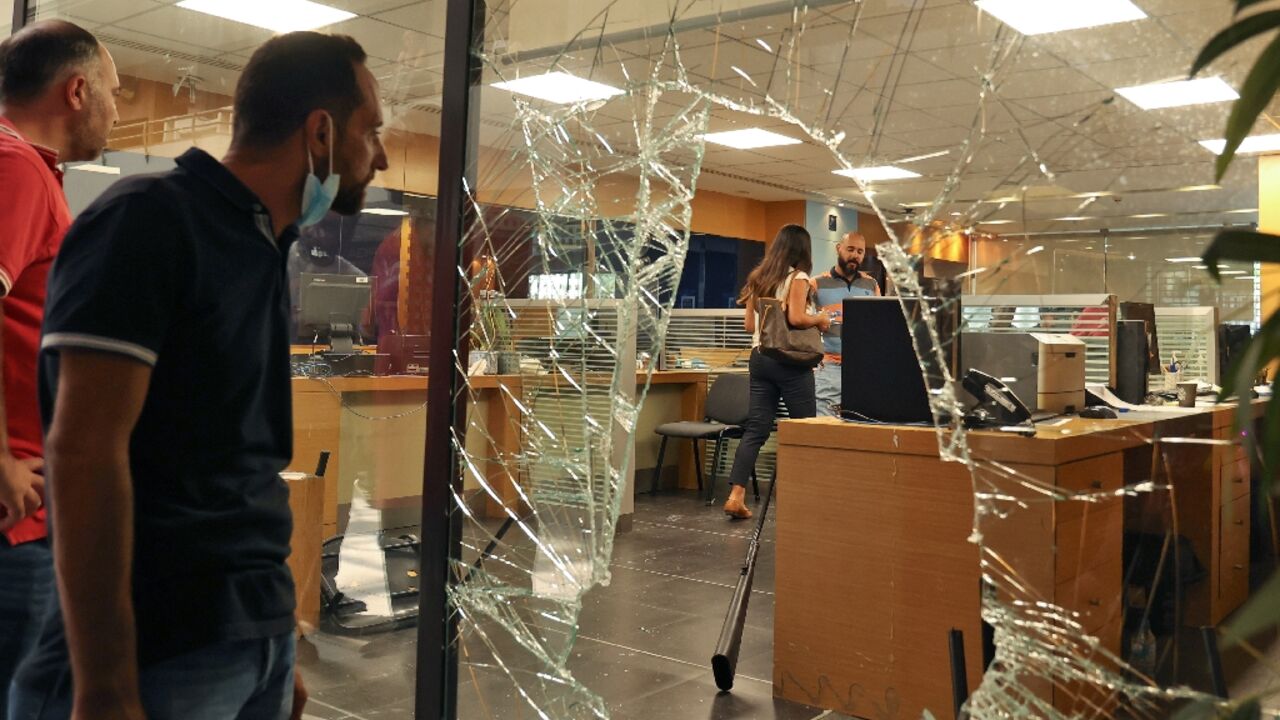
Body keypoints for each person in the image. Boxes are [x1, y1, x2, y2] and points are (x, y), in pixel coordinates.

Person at [9, 31, 387, 720]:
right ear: (323, 133)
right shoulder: (149, 222)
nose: (381, 156)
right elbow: (85, 452)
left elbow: (240, 463)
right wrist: (105, 683)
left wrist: (272, 640)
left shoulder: (262, 241)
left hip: (247, 636)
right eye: (373, 131)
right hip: (159, 649)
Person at [0, 20, 118, 713]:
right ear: (77, 91)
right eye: (112, 90)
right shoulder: (14, 165)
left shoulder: (27, 171)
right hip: (11, 517)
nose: (116, 106)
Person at [722, 224, 830, 519]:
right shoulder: (799, 277)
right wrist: (819, 318)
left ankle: (736, 495)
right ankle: (804, 496)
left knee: (756, 428)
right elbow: (796, 318)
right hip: (791, 362)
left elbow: (748, 326)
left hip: (761, 357)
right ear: (802, 250)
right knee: (805, 427)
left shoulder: (759, 278)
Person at [812, 232, 881, 417]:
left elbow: (879, 325)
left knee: (861, 425)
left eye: (860, 251)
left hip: (862, 367)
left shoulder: (871, 284)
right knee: (825, 426)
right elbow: (800, 319)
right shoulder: (817, 283)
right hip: (829, 367)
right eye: (850, 249)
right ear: (838, 248)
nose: (855, 255)